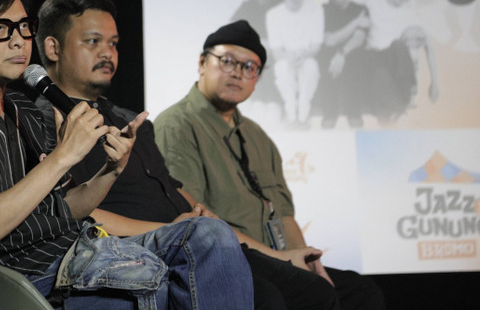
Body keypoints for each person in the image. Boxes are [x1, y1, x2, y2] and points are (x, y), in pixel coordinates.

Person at [0, 0, 254, 310]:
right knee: (143, 277)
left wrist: (111, 171)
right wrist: (62, 156)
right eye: (0, 29)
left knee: (209, 234)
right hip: (25, 274)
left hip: (79, 247)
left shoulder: (20, 106)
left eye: (23, 26)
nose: (18, 40)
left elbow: (65, 208)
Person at [34, 0, 346, 309]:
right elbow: (67, 213)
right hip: (141, 253)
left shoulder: (132, 121)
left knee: (326, 293)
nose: (107, 53)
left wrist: (267, 250)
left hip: (194, 241)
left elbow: (179, 196)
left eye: (113, 43)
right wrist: (177, 231)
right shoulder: (41, 122)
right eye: (93, 41)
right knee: (270, 298)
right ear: (53, 48)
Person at [154, 19, 386, 309]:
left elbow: (284, 215)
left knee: (360, 291)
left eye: (249, 67)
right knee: (313, 296)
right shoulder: (177, 126)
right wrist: (280, 260)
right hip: (230, 260)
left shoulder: (255, 134)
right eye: (227, 61)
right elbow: (196, 217)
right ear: (202, 62)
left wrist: (304, 257)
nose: (238, 73)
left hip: (277, 260)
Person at [362, 0, 440, 123]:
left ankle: (400, 101)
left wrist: (435, 82)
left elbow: (429, 47)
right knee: (379, 73)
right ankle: (390, 113)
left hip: (396, 61)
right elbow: (348, 6)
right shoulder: (372, 1)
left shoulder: (410, 13)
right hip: (374, 56)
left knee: (399, 45)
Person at [265, 0, 324, 127]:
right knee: (282, 68)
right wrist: (289, 57)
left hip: (307, 56)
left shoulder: (315, 10)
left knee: (311, 67)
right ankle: (290, 110)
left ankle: (304, 109)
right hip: (285, 57)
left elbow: (316, 45)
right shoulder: (273, 14)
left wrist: (303, 55)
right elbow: (276, 51)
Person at [314, 0, 370, 129]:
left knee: (356, 57)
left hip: (350, 53)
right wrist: (354, 23)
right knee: (325, 56)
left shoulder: (360, 8)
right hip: (329, 55)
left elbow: (360, 37)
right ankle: (329, 112)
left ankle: (354, 111)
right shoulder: (322, 10)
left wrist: (342, 54)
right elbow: (329, 40)